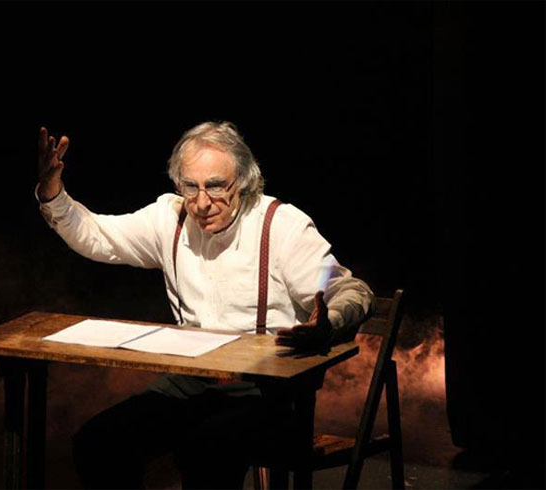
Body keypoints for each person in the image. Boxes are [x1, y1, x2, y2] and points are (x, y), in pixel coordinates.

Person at [36, 121, 374, 489]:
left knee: (205, 448)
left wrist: (330, 321)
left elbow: (349, 289)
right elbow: (97, 236)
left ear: (242, 181)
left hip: (268, 393)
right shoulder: (170, 218)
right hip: (191, 386)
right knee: (100, 443)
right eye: (190, 186)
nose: (201, 202)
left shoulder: (281, 226)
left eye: (215, 186)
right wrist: (53, 194)